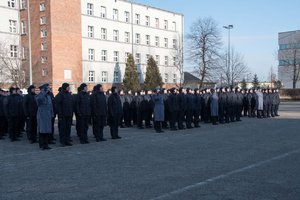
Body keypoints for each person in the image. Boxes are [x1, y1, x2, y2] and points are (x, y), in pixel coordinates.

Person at [35, 83, 54, 150]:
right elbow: (38, 102)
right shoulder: (39, 96)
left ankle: (46, 144)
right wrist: (43, 93)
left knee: (47, 131)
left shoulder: (48, 96)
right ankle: (42, 144)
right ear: (44, 89)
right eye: (48, 88)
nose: (49, 89)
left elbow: (51, 106)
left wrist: (52, 114)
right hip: (42, 115)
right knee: (42, 130)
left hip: (48, 115)